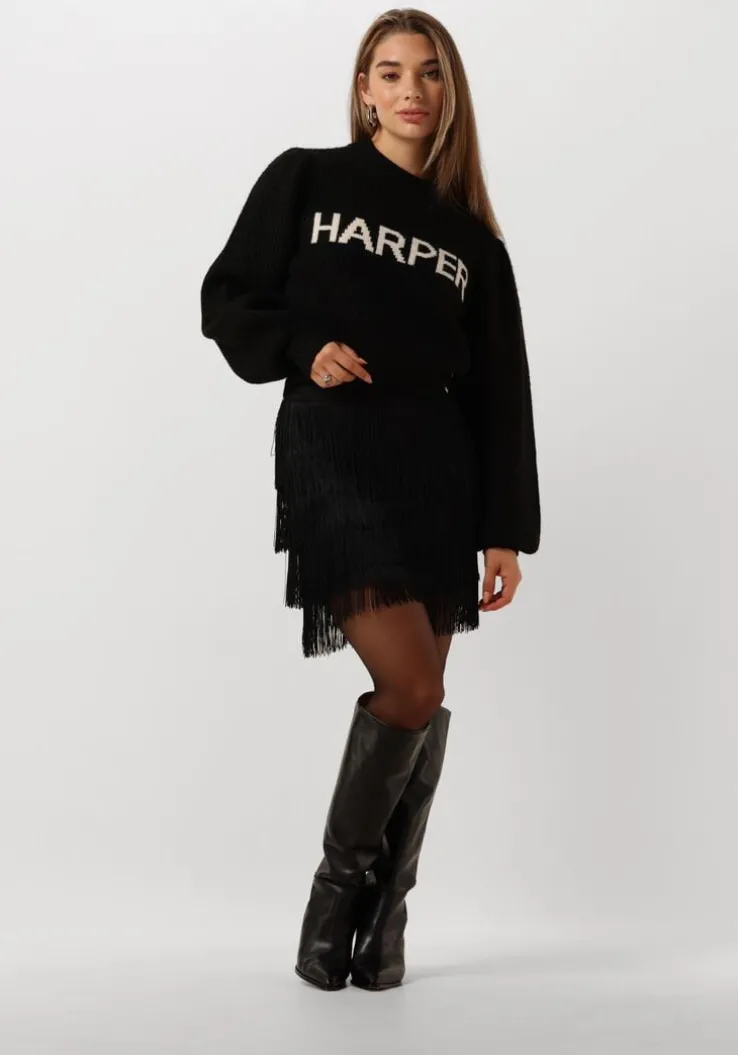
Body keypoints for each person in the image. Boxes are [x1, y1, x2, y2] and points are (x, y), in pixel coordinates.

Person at [199, 9, 541, 992]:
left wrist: (505, 530)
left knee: (422, 700)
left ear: (449, 94)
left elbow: (501, 390)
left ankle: (381, 931)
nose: (409, 90)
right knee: (413, 687)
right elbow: (229, 296)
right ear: (363, 91)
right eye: (389, 72)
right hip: (336, 451)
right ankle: (337, 906)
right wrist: (301, 347)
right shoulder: (307, 179)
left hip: (438, 470)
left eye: (429, 74)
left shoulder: (474, 241)